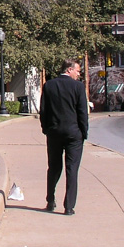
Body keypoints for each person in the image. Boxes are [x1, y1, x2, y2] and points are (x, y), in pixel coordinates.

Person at [39, 58, 89, 215]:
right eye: (77, 71)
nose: (78, 74)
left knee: (53, 167)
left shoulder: (49, 86)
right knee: (72, 169)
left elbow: (43, 111)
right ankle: (69, 207)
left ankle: (50, 200)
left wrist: (46, 129)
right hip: (74, 134)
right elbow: (82, 112)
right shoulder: (78, 87)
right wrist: (83, 132)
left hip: (54, 132)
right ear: (69, 70)